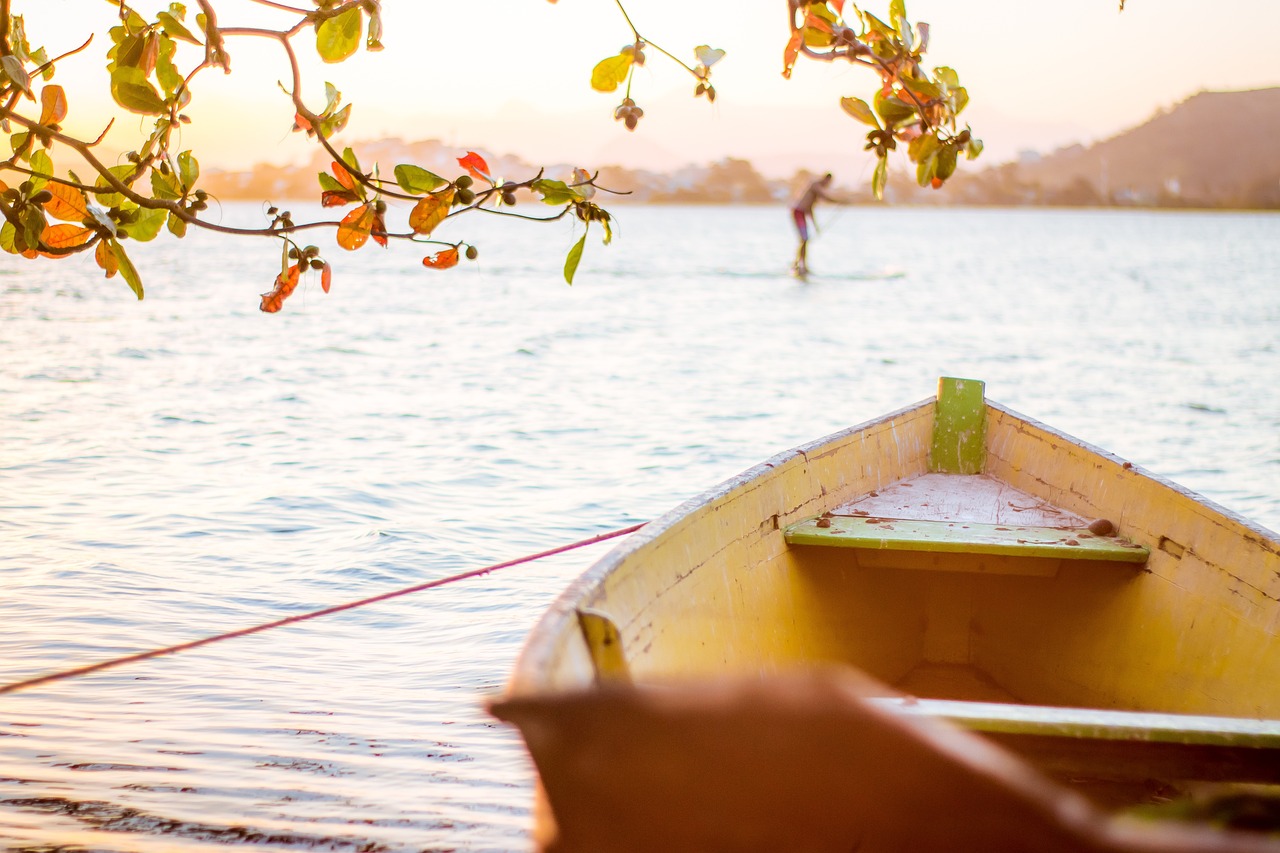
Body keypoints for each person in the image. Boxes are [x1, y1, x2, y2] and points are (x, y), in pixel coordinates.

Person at [791, 173, 836, 277]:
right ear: (826, 179)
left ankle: (800, 264)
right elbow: (826, 198)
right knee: (804, 239)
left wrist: (815, 225)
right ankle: (799, 265)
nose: (828, 185)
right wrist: (842, 201)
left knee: (804, 240)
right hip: (798, 212)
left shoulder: (815, 191)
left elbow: (809, 209)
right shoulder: (815, 185)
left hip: (802, 213)